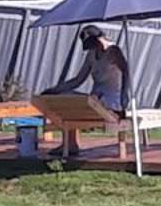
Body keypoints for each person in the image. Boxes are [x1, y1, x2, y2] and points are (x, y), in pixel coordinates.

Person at [42, 25, 130, 158]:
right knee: (66, 98)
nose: (95, 47)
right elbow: (78, 79)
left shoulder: (113, 51)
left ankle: (70, 144)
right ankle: (70, 143)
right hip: (96, 101)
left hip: (113, 103)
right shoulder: (91, 55)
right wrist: (55, 90)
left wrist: (125, 94)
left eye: (94, 44)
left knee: (87, 102)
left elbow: (126, 71)